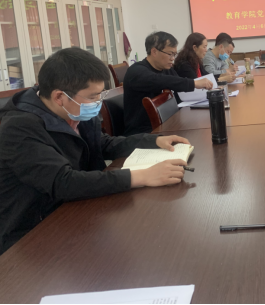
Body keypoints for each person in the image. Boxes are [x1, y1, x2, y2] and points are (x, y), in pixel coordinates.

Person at [0, 48, 192, 255]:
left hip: (79, 209)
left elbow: (103, 144)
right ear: (59, 97)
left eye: (100, 95)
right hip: (32, 236)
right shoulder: (18, 128)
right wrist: (142, 176)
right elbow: (63, 182)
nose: (98, 103)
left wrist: (153, 141)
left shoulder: (73, 110)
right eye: (93, 97)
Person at [124, 32, 213, 136]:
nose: (173, 58)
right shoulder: (135, 71)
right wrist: (193, 83)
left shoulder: (166, 69)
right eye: (170, 54)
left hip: (168, 123)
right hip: (143, 133)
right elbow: (159, 80)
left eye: (174, 54)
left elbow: (178, 86)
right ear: (154, 51)